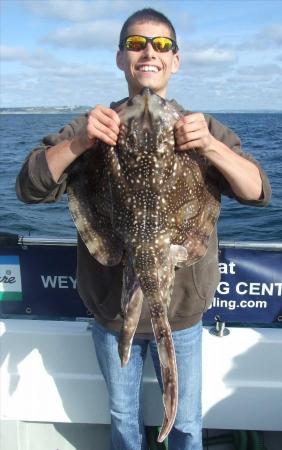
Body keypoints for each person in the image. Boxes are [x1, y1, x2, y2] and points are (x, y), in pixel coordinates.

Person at [16, 8, 271, 450]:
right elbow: (29, 188)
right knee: (122, 417)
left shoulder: (201, 128)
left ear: (175, 60)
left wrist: (209, 145)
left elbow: (257, 192)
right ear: (120, 58)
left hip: (184, 313)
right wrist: (81, 144)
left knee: (188, 419)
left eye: (161, 45)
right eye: (136, 44)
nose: (148, 52)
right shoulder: (93, 126)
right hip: (112, 314)